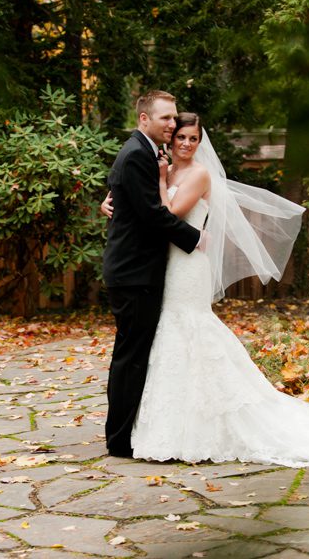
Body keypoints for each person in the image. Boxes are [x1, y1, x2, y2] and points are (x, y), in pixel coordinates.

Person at [102, 113, 309, 465]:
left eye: (193, 139)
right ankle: (169, 421)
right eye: (181, 138)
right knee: (168, 335)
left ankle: (214, 420)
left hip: (188, 267)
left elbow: (168, 211)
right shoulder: (165, 170)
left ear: (200, 144)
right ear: (170, 141)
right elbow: (141, 207)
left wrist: (159, 180)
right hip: (165, 264)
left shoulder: (197, 174)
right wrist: (113, 202)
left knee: (190, 328)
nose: (187, 144)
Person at [101, 91, 206, 459]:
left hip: (136, 271)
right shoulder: (136, 155)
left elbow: (132, 201)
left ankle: (125, 432)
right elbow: (152, 214)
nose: (172, 124)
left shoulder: (146, 153)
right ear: (144, 119)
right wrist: (195, 238)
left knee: (132, 354)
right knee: (130, 357)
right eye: (165, 118)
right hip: (134, 274)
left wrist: (112, 201)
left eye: (174, 117)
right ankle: (118, 440)